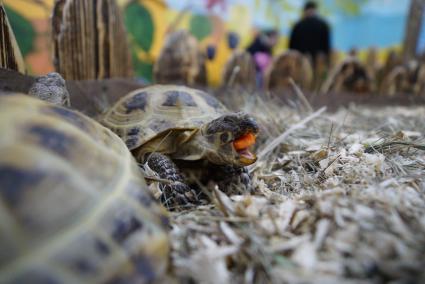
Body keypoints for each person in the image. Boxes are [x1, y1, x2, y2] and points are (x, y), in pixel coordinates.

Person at [289, 1, 331, 66]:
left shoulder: (298, 25)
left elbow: (292, 46)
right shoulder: (323, 25)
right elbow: (326, 46)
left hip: (304, 59)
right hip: (313, 59)